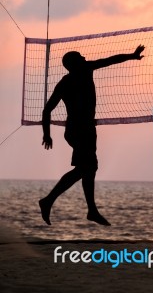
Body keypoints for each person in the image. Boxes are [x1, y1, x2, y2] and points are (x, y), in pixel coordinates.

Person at [39, 45, 145, 227]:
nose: (84, 57)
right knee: (84, 168)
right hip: (78, 130)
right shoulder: (75, 76)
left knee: (89, 168)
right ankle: (50, 200)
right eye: (80, 57)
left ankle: (91, 210)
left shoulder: (78, 74)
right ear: (73, 64)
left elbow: (110, 60)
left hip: (84, 129)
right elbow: (47, 109)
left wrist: (132, 56)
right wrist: (46, 134)